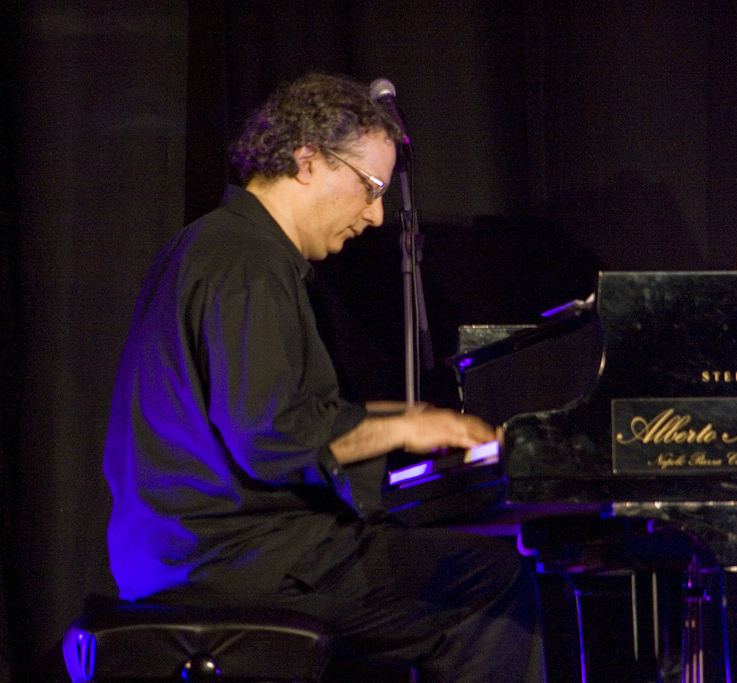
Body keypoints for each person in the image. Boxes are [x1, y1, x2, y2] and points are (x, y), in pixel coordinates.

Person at [103, 73, 545, 682]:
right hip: (240, 561)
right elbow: (272, 436)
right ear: (307, 161)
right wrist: (401, 431)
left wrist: (408, 419)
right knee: (492, 581)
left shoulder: (211, 245)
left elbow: (278, 414)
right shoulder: (248, 260)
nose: (376, 215)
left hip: (184, 553)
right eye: (369, 188)